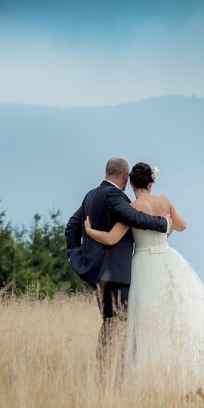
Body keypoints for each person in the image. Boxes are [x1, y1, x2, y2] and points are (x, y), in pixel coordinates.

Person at [84, 162, 204, 395]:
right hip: (169, 259)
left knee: (147, 322)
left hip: (144, 264)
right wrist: (166, 232)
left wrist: (90, 232)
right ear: (151, 182)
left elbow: (110, 239)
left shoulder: (132, 207)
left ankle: (152, 382)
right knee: (180, 317)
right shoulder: (164, 201)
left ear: (132, 183)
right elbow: (181, 225)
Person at [65, 157, 170, 372]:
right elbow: (133, 216)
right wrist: (163, 223)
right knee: (116, 326)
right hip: (117, 276)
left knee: (110, 324)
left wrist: (76, 256)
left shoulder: (90, 196)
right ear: (124, 176)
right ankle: (111, 375)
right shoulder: (114, 195)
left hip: (98, 276)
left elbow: (70, 228)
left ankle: (108, 372)